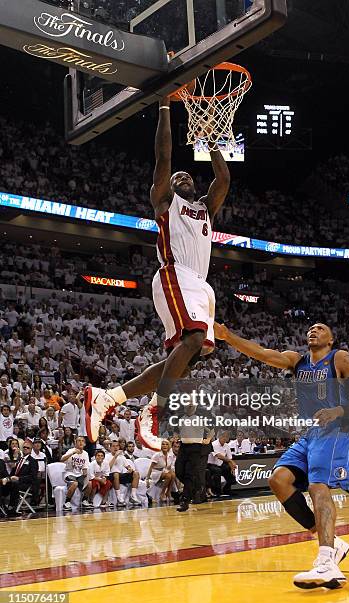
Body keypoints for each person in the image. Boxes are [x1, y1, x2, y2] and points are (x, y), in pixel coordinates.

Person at [83, 95, 230, 450]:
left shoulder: (206, 208)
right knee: (194, 340)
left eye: (186, 175)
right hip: (174, 274)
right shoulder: (165, 202)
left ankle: (109, 397)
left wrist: (211, 141)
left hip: (200, 286)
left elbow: (222, 179)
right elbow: (163, 156)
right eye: (176, 176)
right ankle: (156, 409)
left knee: (187, 359)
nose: (181, 177)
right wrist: (165, 106)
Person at [215, 321, 349, 590]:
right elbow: (261, 353)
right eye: (311, 328)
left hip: (337, 431)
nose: (314, 330)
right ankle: (334, 544)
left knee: (317, 486)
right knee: (278, 480)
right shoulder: (297, 362)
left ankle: (326, 562)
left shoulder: (339, 358)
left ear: (331, 339)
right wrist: (227, 336)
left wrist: (338, 411)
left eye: (321, 328)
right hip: (311, 434)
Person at [61, 436, 90, 511]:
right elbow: (62, 459)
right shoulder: (71, 450)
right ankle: (67, 502)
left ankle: (84, 500)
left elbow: (85, 467)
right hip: (69, 473)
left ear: (85, 444)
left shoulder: (85, 454)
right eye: (79, 440)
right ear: (75, 443)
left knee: (90, 483)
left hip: (79, 475)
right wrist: (72, 453)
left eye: (82, 441)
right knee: (75, 483)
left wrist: (85, 474)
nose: (81, 442)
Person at [207, 431, 237, 498]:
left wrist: (232, 467)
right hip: (210, 464)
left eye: (226, 437)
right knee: (217, 471)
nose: (225, 438)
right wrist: (230, 461)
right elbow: (218, 456)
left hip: (220, 464)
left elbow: (230, 458)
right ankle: (217, 491)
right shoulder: (213, 444)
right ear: (219, 437)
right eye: (223, 436)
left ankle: (227, 489)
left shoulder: (227, 446)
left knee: (228, 468)